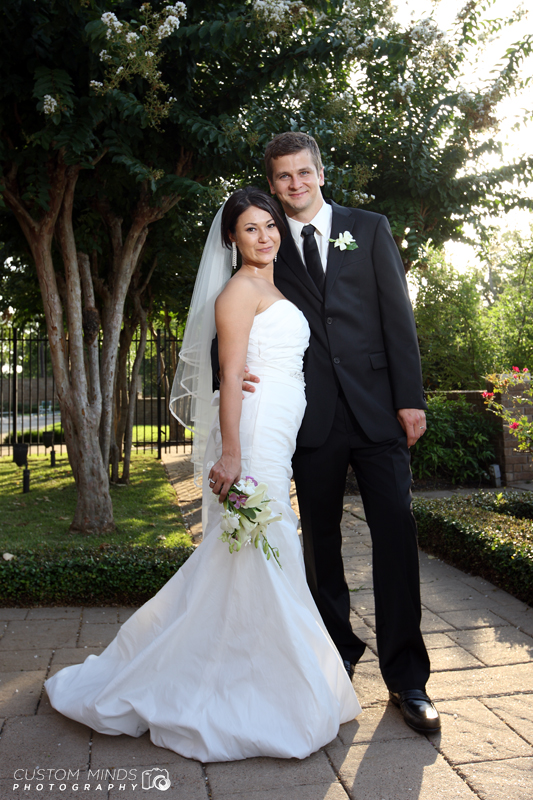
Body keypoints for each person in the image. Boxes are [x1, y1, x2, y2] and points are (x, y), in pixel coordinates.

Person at [44, 187, 361, 763]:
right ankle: (262, 691)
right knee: (268, 546)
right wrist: (232, 454)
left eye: (270, 225)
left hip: (280, 428)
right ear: (231, 240)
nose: (265, 236)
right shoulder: (239, 291)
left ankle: (251, 673)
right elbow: (231, 373)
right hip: (257, 432)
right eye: (250, 229)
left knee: (246, 553)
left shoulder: (274, 282)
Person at [241, 131, 440, 734]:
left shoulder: (369, 227)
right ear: (272, 184)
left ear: (320, 173)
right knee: (320, 544)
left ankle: (408, 679)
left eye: (303, 173)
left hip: (379, 411)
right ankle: (335, 658)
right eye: (283, 177)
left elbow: (396, 316)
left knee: (396, 535)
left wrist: (410, 399)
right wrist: (237, 372)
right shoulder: (268, 243)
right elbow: (237, 303)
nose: (294, 185)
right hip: (312, 416)